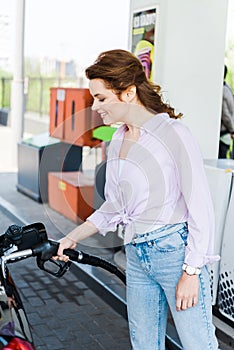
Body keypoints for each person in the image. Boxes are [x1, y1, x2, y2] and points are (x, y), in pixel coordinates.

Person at [55, 49, 220, 350]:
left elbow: (201, 207)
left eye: (102, 98)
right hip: (137, 255)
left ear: (129, 92)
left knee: (198, 344)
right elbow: (116, 206)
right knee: (143, 344)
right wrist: (72, 236)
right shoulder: (118, 139)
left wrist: (192, 271)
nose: (94, 106)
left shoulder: (174, 134)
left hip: (175, 254)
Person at [219, 65, 234, 158]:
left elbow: (226, 115)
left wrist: (233, 130)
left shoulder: (223, 90)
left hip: (225, 133)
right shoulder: (228, 88)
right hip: (228, 132)